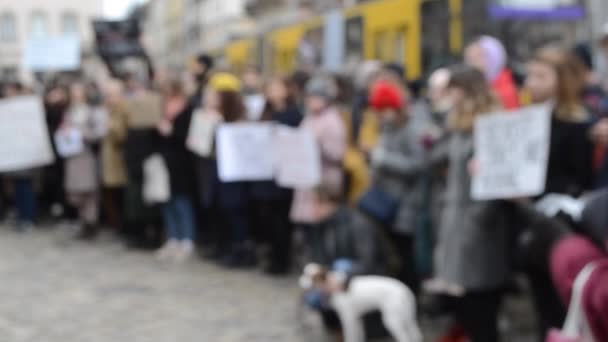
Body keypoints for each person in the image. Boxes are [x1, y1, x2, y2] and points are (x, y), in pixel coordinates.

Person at [517, 45, 607, 339]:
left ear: (562, 80)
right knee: (542, 305)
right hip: (533, 226)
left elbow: (581, 181)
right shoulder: (525, 120)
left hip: (564, 230)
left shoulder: (581, 124)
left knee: (564, 308)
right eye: (530, 75)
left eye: (540, 76)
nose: (531, 83)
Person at [430, 65, 510, 342]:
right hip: (456, 219)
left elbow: (495, 181)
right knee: (462, 299)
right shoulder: (457, 124)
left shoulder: (489, 124)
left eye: (452, 89)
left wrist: (477, 220)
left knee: (480, 304)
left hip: (478, 226)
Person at [362, 80, 429, 294]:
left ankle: (410, 297)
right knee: (395, 254)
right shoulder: (389, 127)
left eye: (383, 110)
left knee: (406, 254)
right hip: (388, 201)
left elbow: (418, 165)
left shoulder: (413, 129)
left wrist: (382, 158)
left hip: (407, 204)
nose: (380, 115)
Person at [290, 74, 347, 262]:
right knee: (309, 229)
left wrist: (317, 145)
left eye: (315, 97)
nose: (310, 101)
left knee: (321, 228)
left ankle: (322, 264)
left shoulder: (333, 121)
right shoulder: (309, 119)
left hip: (324, 182)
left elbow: (338, 154)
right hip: (307, 180)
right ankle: (313, 263)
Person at [250, 77, 302, 274]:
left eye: (276, 88)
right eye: (269, 88)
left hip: (285, 172)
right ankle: (272, 255)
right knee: (268, 216)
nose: (272, 93)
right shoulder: (265, 112)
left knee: (282, 218)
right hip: (267, 171)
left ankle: (282, 259)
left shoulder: (293, 114)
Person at [155, 78, 198, 263]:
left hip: (182, 162)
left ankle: (187, 239)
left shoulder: (188, 110)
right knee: (167, 200)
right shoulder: (162, 109)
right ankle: (173, 237)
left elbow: (188, 136)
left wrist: (171, 131)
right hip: (165, 161)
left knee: (182, 201)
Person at [63, 82, 107, 239]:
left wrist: (85, 135)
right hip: (73, 155)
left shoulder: (91, 112)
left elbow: (99, 132)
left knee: (89, 190)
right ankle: (82, 220)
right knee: (76, 192)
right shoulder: (69, 111)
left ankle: (91, 222)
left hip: (86, 154)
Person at [101, 79, 129, 235]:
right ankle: (116, 225)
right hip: (108, 159)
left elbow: (122, 135)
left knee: (120, 194)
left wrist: (111, 126)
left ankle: (124, 226)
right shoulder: (108, 110)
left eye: (110, 95)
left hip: (119, 159)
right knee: (111, 195)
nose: (108, 98)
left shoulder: (123, 109)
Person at [465, 35, 520, 110]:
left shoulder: (505, 90)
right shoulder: (474, 85)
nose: (473, 63)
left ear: (494, 56)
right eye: (470, 58)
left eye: (480, 56)